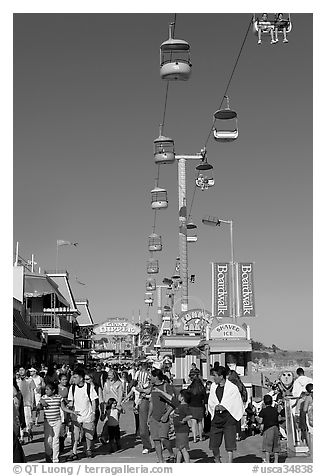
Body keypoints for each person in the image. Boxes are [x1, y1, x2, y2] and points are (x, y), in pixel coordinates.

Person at [208, 365, 244, 463]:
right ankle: (217, 460)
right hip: (217, 417)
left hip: (228, 417)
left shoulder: (232, 388)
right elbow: (211, 401)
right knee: (214, 444)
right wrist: (215, 406)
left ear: (221, 377)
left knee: (230, 444)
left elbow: (236, 402)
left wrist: (225, 406)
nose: (214, 378)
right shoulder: (213, 387)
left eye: (215, 376)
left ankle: (229, 462)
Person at [37, 382, 75, 463]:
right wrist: (40, 402)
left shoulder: (59, 398)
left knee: (56, 440)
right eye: (46, 389)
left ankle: (55, 459)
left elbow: (63, 408)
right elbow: (38, 407)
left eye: (48, 389)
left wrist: (72, 412)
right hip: (48, 422)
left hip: (57, 421)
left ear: (53, 390)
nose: (46, 391)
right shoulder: (44, 397)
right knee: (48, 440)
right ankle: (48, 454)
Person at [66, 368, 98, 460]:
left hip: (87, 414)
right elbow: (71, 401)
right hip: (76, 415)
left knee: (89, 434)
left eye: (75, 377)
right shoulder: (72, 388)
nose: (73, 379)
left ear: (81, 378)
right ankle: (74, 452)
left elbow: (94, 401)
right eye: (73, 377)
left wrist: (93, 412)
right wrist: (70, 410)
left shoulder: (89, 387)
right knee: (75, 435)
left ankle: (88, 449)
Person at [148, 369, 176, 463]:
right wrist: (149, 416)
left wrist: (167, 414)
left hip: (164, 417)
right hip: (154, 417)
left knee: (164, 438)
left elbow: (174, 402)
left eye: (151, 376)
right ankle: (161, 460)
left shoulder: (166, 386)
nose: (150, 378)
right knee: (156, 440)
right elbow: (152, 403)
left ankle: (171, 454)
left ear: (156, 377)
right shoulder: (152, 387)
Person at [257, 394, 280, 463]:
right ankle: (276, 461)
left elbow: (260, 421)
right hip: (276, 428)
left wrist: (256, 418)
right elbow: (278, 418)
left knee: (267, 447)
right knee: (276, 446)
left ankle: (267, 461)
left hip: (268, 429)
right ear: (272, 402)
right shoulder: (275, 410)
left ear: (264, 402)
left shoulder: (263, 411)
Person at [16, 366, 36, 442]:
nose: (21, 371)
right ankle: (21, 437)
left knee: (28, 420)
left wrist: (32, 402)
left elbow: (32, 391)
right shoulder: (17, 381)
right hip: (19, 403)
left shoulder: (30, 380)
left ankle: (29, 432)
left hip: (27, 403)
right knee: (20, 419)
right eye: (20, 370)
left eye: (22, 369)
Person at [173, 390, 193, 463]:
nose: (178, 396)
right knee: (179, 448)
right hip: (178, 430)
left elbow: (190, 415)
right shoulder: (179, 406)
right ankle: (177, 462)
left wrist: (184, 419)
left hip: (182, 430)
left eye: (179, 395)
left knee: (183, 448)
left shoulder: (184, 406)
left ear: (182, 398)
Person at [187, 372, 207, 442]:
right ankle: (201, 437)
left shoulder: (190, 388)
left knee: (193, 423)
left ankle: (195, 438)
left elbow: (187, 398)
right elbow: (205, 399)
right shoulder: (202, 388)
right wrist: (206, 409)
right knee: (200, 422)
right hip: (200, 406)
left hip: (192, 406)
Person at [303, 383, 313, 456]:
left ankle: (311, 451)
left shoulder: (308, 397)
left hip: (311, 418)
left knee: (311, 435)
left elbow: (305, 409)